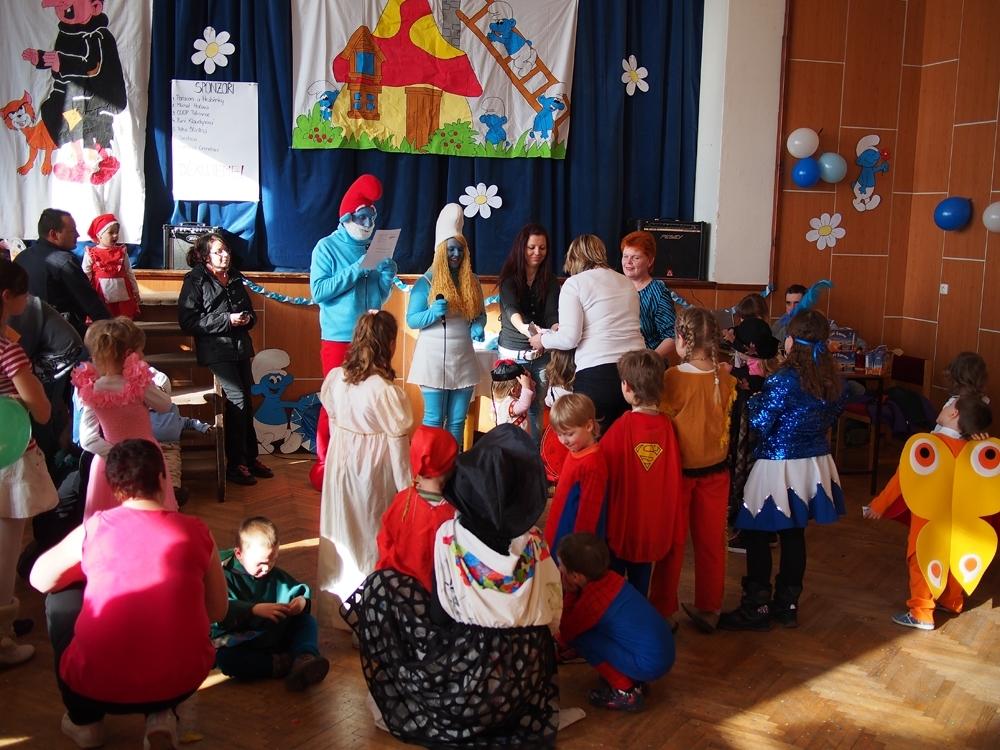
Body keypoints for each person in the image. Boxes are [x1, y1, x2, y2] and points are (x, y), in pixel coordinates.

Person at [341, 424, 565, 748]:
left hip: (472, 672)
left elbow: (440, 613)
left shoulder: (450, 536)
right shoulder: (535, 541)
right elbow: (553, 607)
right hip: (526, 673)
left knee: (379, 586)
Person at [30, 439, 227, 749]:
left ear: (113, 487)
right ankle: (161, 716)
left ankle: (85, 723)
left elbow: (39, 579)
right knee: (162, 611)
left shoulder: (95, 528)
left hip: (96, 686)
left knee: (60, 597)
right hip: (182, 680)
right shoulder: (197, 530)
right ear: (162, 478)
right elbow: (217, 610)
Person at [720, 309, 846, 631]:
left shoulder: (783, 379)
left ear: (791, 341)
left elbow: (760, 422)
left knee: (757, 532)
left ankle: (756, 605)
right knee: (793, 534)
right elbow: (832, 415)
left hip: (778, 464)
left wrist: (753, 397)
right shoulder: (832, 380)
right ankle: (787, 605)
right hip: (814, 462)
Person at [317, 310, 412, 630]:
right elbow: (398, 451)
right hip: (371, 471)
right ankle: (368, 612)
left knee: (341, 530)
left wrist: (337, 460)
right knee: (370, 533)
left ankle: (341, 608)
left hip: (340, 464)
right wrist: (407, 492)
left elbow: (333, 423)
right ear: (390, 344)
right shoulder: (385, 391)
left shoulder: (337, 379)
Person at [864, 395, 993, 629]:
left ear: (953, 413)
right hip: (963, 522)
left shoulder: (927, 445)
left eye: (948, 404)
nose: (943, 406)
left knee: (922, 560)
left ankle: (921, 612)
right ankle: (952, 601)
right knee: (955, 557)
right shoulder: (974, 449)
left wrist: (879, 505)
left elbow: (901, 480)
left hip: (929, 521)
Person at [309, 174, 397, 490]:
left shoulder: (373, 248)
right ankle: (325, 464)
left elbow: (377, 299)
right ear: (346, 217)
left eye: (372, 217)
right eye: (362, 217)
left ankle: (358, 465)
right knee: (335, 400)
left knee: (366, 401)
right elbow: (319, 291)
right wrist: (357, 268)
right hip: (338, 338)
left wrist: (385, 277)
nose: (368, 223)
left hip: (369, 338)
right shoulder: (326, 247)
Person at [654, 308, 736, 632]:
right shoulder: (726, 379)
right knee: (712, 543)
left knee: (672, 544)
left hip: (680, 474)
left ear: (681, 339)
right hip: (717, 472)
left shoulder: (672, 378)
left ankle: (663, 609)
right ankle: (710, 607)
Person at [178, 231, 272, 486]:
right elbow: (188, 321)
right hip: (216, 350)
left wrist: (247, 319)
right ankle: (235, 464)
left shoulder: (235, 277)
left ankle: (250, 458)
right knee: (237, 398)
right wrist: (226, 320)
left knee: (247, 401)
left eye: (226, 251)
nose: (225, 255)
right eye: (218, 251)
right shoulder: (195, 280)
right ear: (204, 256)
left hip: (240, 347)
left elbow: (251, 313)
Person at [0, 259, 58, 667]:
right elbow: (41, 409)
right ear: (7, 297)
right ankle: (2, 639)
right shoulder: (8, 350)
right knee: (5, 551)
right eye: (24, 293)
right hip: (8, 457)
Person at [529, 234, 644, 428]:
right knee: (627, 439)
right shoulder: (626, 282)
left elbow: (569, 338)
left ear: (574, 258)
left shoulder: (575, 283)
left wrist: (542, 340)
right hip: (637, 369)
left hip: (599, 372)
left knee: (593, 439)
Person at [71, 317, 176, 519]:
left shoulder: (92, 389)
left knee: (110, 521)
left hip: (109, 464)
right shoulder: (138, 385)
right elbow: (165, 405)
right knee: (151, 518)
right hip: (146, 458)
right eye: (141, 352)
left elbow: (88, 439)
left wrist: (116, 455)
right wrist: (146, 382)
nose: (143, 356)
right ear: (129, 355)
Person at [557, 533, 674, 712]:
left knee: (582, 639)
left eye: (562, 566)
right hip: (661, 655)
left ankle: (626, 692)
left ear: (576, 577)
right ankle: (631, 677)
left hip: (648, 664)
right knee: (592, 632)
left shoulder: (592, 603)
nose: (559, 569)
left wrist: (570, 593)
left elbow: (566, 631)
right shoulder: (611, 578)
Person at [600, 350, 683, 599]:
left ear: (626, 387)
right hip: (652, 529)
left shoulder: (622, 426)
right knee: (640, 588)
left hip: (621, 526)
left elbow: (600, 468)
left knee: (611, 587)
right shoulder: (668, 427)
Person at [212, 517, 330, 690]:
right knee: (226, 660)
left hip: (272, 634)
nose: (267, 568)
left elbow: (296, 591)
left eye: (273, 560)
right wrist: (253, 610)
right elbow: (219, 609)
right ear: (239, 554)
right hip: (240, 640)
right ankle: (279, 665)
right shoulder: (223, 576)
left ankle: (305, 657)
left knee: (306, 621)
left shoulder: (273, 574)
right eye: (261, 563)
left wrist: (300, 603)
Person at [406, 203, 486, 447]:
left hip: (463, 359)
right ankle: (429, 465)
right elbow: (412, 320)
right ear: (441, 251)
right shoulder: (426, 283)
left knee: (457, 421)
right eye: (451, 249)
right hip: (433, 360)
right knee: (433, 419)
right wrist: (431, 313)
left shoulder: (472, 281)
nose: (456, 254)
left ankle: (453, 466)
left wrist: (478, 325)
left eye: (460, 250)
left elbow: (480, 314)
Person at [20, 0, 126, 184]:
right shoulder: (65, 34)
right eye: (59, 8)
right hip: (72, 94)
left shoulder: (99, 36)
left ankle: (103, 161)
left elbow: (93, 66)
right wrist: (42, 59)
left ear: (95, 7)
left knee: (87, 124)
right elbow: (59, 62)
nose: (62, 12)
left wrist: (61, 62)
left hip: (98, 94)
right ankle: (80, 162)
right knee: (64, 118)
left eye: (68, 9)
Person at [375, 425, 459, 593]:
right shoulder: (451, 514)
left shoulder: (402, 499)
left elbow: (384, 540)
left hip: (394, 587)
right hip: (428, 595)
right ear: (451, 466)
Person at [496, 223, 560, 440]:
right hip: (513, 355)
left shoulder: (550, 280)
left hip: (541, 355)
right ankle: (510, 452)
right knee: (511, 408)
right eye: (531, 247)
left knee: (536, 408)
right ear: (521, 248)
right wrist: (527, 330)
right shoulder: (509, 279)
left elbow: (552, 314)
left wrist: (556, 330)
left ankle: (534, 454)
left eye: (542, 248)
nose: (537, 253)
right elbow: (511, 310)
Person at [725, 314, 780, 553]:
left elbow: (748, 382)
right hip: (764, 443)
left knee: (748, 480)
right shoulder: (771, 372)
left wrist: (730, 371)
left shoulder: (751, 376)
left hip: (749, 439)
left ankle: (750, 533)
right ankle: (765, 531)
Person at [15, 208, 109, 336]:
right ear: (54, 234)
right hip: (60, 335)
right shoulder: (64, 261)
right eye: (72, 231)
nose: (78, 235)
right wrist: (113, 330)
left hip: (23, 333)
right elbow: (91, 303)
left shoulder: (21, 257)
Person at [543, 393, 609, 560]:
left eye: (569, 434)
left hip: (573, 543)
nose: (563, 441)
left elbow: (589, 512)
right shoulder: (576, 449)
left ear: (588, 426)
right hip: (560, 528)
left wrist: (578, 553)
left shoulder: (593, 463)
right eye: (559, 434)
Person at [148, 367, 211, 507]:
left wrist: (202, 426)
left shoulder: (172, 409)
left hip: (170, 447)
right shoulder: (144, 409)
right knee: (150, 472)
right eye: (154, 391)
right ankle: (153, 498)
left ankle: (174, 493)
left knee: (172, 471)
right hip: (149, 447)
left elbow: (185, 421)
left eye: (161, 391)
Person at [620, 231, 676, 360]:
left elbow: (671, 336)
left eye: (635, 258)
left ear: (650, 261)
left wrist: (648, 360)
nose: (628, 262)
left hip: (646, 364)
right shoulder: (615, 286)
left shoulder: (658, 292)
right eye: (625, 256)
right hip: (617, 361)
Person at [82, 213, 140, 319]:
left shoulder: (122, 252)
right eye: (111, 232)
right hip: (101, 296)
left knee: (122, 319)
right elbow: (86, 275)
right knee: (104, 318)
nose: (115, 235)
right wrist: (86, 295)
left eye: (116, 232)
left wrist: (135, 290)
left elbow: (129, 272)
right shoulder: (91, 253)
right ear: (99, 235)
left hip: (122, 296)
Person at [490, 358, 534, 432]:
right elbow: (525, 404)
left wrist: (528, 383)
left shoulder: (498, 399)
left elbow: (530, 398)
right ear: (513, 390)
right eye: (522, 387)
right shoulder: (509, 404)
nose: (524, 390)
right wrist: (526, 386)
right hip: (515, 438)